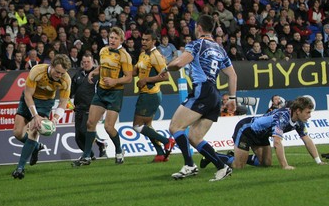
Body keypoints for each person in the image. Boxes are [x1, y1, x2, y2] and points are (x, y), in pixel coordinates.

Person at [159, 15, 237, 181]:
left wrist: (166, 67)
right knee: (194, 137)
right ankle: (222, 167)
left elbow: (180, 63)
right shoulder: (219, 48)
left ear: (199, 28)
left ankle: (189, 165)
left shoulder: (196, 44)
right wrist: (232, 98)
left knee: (175, 127)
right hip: (214, 94)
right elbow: (232, 75)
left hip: (202, 90)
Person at [206, 97, 327, 170]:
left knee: (266, 164)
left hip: (262, 135)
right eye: (308, 112)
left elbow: (307, 140)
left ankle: (238, 155)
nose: (310, 116)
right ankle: (213, 155)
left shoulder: (299, 121)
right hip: (247, 130)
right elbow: (277, 143)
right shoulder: (282, 117)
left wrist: (318, 161)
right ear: (298, 111)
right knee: (238, 166)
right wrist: (284, 165)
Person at [72, 27, 133, 166]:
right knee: (90, 123)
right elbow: (102, 67)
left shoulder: (125, 56)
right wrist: (93, 72)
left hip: (115, 93)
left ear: (121, 40)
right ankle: (86, 156)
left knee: (108, 127)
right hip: (101, 91)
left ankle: (119, 150)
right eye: (111, 37)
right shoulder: (103, 51)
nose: (112, 40)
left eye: (115, 38)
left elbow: (129, 78)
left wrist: (115, 81)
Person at [11, 54, 72, 179]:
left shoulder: (66, 80)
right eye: (57, 72)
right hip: (29, 99)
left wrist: (55, 119)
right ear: (52, 65)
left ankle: (20, 168)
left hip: (45, 103)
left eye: (62, 73)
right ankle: (36, 147)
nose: (59, 75)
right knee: (17, 133)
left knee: (34, 130)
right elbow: (28, 95)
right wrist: (35, 115)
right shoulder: (37, 71)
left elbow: (63, 102)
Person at [132, 30, 176, 162]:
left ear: (153, 41)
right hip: (146, 94)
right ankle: (160, 153)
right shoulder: (143, 54)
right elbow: (135, 71)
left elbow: (166, 76)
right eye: (143, 39)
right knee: (147, 127)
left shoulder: (156, 55)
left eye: (147, 40)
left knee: (137, 126)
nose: (143, 42)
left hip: (150, 94)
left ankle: (167, 141)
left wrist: (146, 80)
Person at [70, 54, 107, 159]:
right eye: (84, 62)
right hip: (78, 108)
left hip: (91, 107)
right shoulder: (77, 74)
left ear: (93, 63)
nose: (86, 64)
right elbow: (71, 90)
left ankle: (99, 144)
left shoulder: (97, 75)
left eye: (88, 62)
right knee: (78, 137)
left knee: (84, 129)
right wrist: (68, 100)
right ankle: (90, 154)